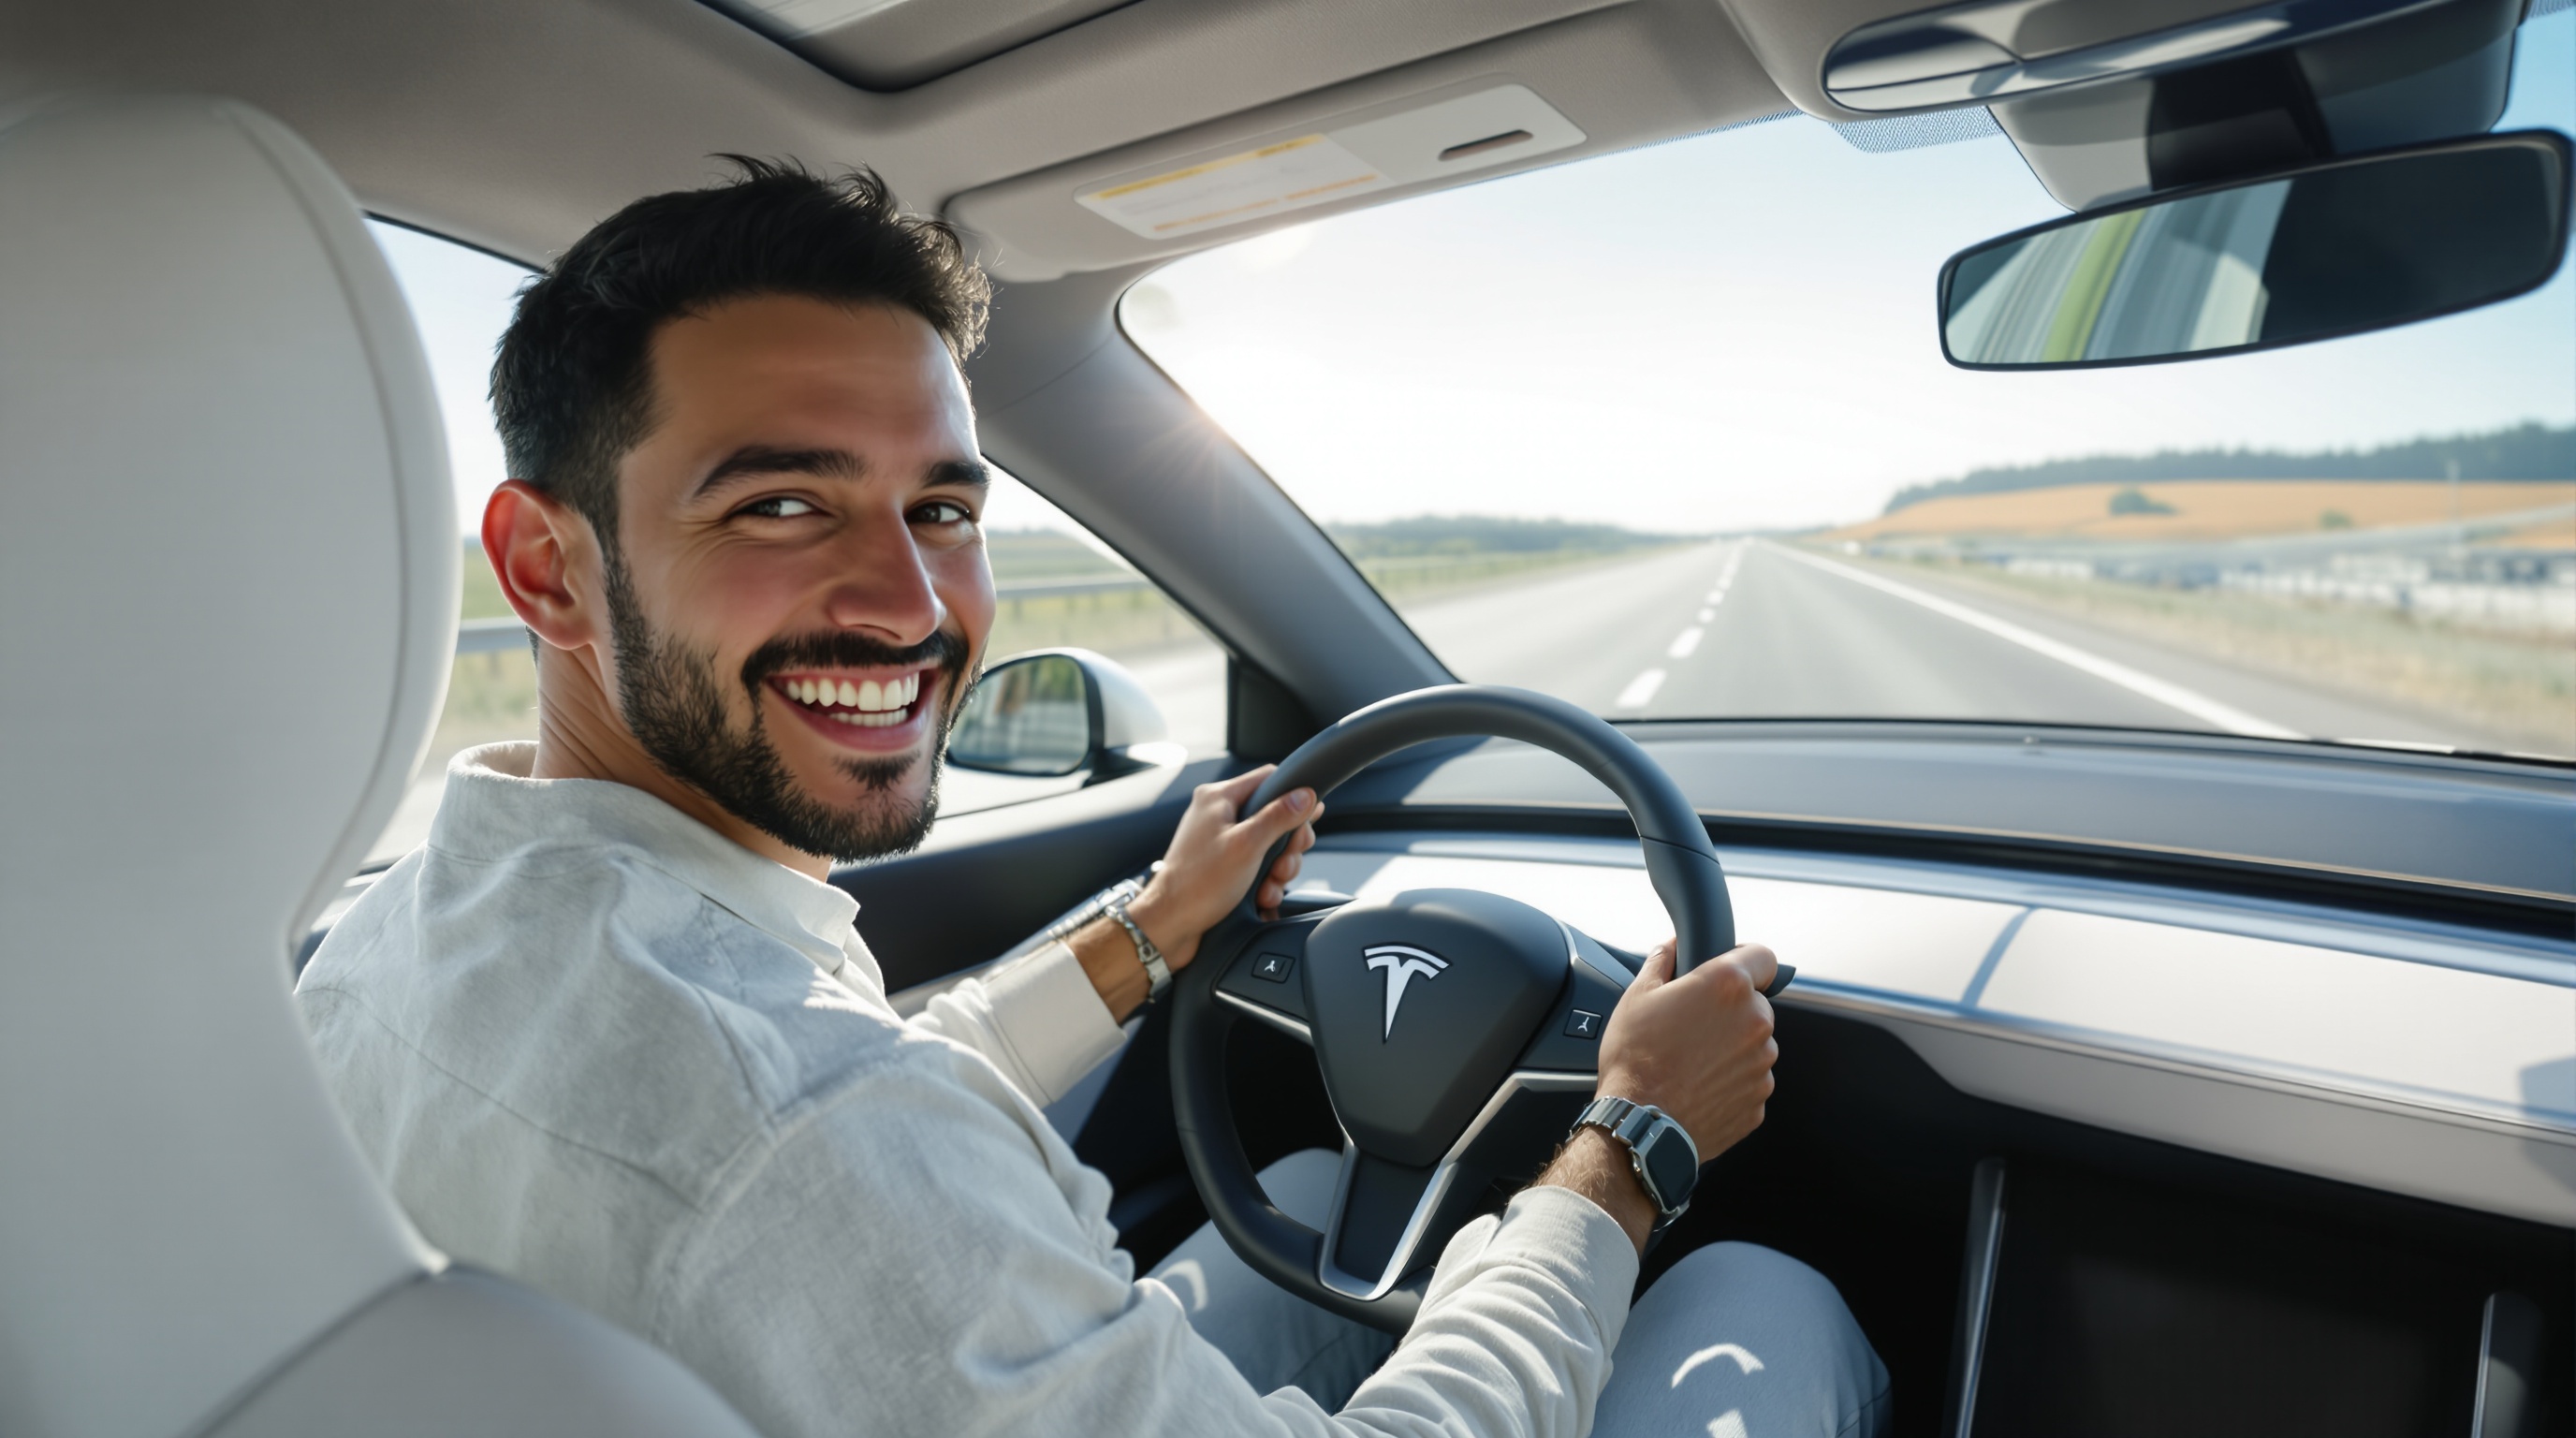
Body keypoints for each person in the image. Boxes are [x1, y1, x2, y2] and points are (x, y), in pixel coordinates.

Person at [296, 159, 1889, 1438]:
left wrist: (1153, 928)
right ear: (541, 566)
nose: (908, 604)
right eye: (781, 501)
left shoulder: (404, 935)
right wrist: (1629, 1143)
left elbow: (868, 1097)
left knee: (1325, 1199)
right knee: (1763, 1302)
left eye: (941, 506)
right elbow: (830, 1135)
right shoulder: (794, 1132)